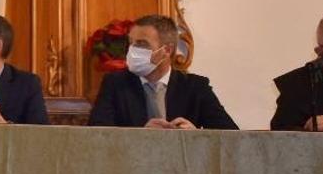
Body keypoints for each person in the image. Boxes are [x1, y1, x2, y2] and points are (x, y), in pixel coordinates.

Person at [88, 14, 237, 130]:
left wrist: (196, 136)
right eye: (131, 43)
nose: (132, 50)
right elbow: (96, 134)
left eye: (141, 44)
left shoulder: (196, 87)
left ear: (166, 50)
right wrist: (140, 134)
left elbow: (231, 135)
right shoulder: (115, 84)